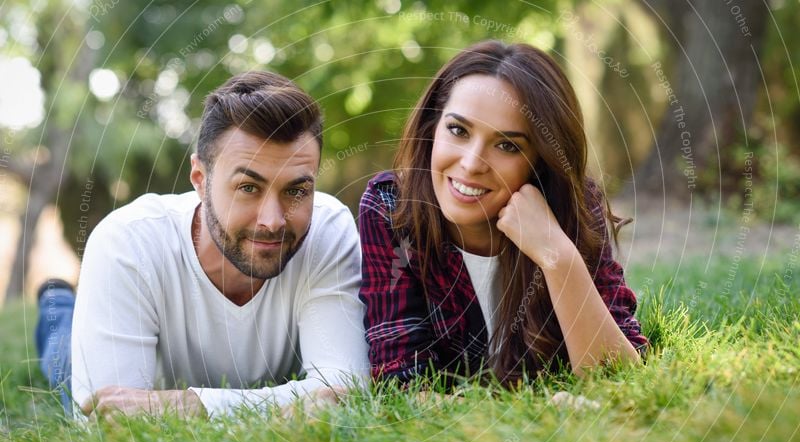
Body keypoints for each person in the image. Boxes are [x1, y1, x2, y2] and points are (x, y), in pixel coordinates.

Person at [36, 71, 369, 420]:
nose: (272, 221)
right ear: (199, 178)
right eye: (247, 188)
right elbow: (107, 419)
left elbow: (345, 387)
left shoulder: (328, 229)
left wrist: (190, 406)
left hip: (173, 394)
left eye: (296, 191)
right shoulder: (127, 242)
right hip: (115, 313)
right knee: (65, 363)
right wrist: (296, 400)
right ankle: (57, 307)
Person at [358, 40, 647, 388]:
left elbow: (619, 376)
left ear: (539, 160)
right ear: (431, 128)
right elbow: (401, 379)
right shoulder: (391, 208)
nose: (470, 164)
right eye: (458, 130)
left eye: (507, 145)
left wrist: (558, 257)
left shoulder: (575, 207)